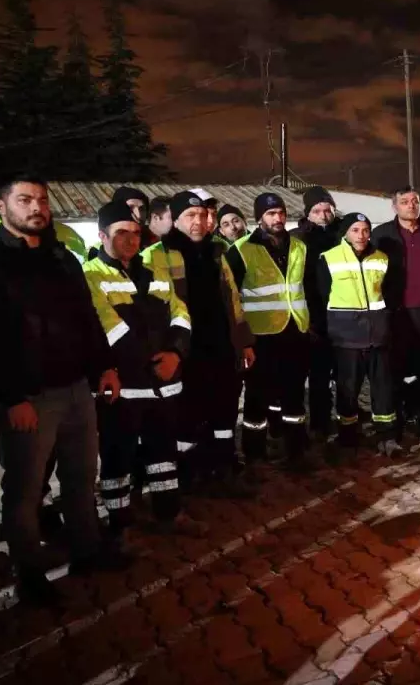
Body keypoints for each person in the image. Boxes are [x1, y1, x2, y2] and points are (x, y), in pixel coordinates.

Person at [0, 175, 127, 605]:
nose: (36, 207)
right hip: (28, 398)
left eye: (41, 199)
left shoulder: (62, 258)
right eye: (24, 200)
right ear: (1, 208)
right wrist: (11, 397)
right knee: (25, 491)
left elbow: (87, 318)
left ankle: (87, 551)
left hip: (76, 389)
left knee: (79, 479)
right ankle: (30, 573)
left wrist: (104, 367)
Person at [83, 202, 195, 537]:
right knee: (118, 456)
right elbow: (107, 327)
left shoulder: (154, 273)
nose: (131, 240)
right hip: (124, 386)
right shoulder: (91, 275)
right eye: (121, 234)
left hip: (163, 385)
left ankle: (169, 513)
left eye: (135, 233)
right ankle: (120, 525)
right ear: (102, 235)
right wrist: (152, 361)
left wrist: (175, 353)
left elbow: (180, 314)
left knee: (163, 453)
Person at [143, 191, 254, 496]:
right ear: (175, 220)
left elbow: (233, 298)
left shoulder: (217, 252)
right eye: (190, 216)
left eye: (203, 216)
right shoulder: (156, 255)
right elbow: (152, 311)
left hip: (220, 347)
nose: (198, 221)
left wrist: (243, 342)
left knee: (224, 412)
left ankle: (223, 469)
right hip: (184, 353)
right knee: (186, 416)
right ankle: (188, 475)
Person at [227, 193, 312, 468]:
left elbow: (305, 288)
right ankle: (254, 454)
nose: (278, 218)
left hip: (295, 330)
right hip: (260, 335)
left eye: (281, 212)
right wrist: (241, 339)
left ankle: (296, 450)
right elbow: (231, 297)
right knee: (257, 397)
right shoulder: (241, 250)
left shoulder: (299, 246)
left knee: (294, 394)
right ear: (259, 217)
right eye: (271, 213)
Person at [317, 213, 402, 457]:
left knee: (383, 388)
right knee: (348, 389)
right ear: (345, 233)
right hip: (346, 337)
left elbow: (389, 294)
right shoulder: (329, 259)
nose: (361, 235)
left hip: (378, 335)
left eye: (365, 230)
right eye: (355, 230)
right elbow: (323, 296)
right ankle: (348, 436)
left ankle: (387, 436)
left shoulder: (381, 258)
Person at [372, 186, 420, 442]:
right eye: (405, 202)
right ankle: (397, 424)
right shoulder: (381, 236)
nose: (411, 205)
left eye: (415, 201)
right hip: (396, 314)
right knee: (396, 372)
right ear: (395, 206)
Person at [293, 186, 339, 442]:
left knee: (345, 374)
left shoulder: (342, 234)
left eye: (327, 210)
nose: (323, 215)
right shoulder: (298, 239)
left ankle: (345, 416)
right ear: (308, 213)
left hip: (343, 314)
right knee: (318, 375)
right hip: (313, 316)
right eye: (317, 210)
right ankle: (320, 423)